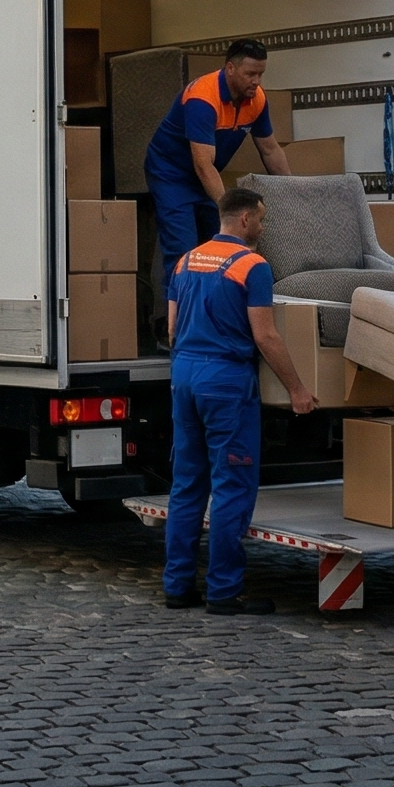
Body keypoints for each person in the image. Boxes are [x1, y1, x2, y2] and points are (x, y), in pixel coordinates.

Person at [162, 188, 316, 617]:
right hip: (225, 382)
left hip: (185, 375)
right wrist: (297, 389)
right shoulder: (253, 266)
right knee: (231, 487)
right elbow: (265, 335)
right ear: (245, 219)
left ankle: (177, 587)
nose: (262, 228)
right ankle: (224, 592)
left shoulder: (185, 261)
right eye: (261, 220)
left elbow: (172, 330)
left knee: (187, 485)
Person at [142, 41, 291, 320]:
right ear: (230, 68)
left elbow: (270, 150)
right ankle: (173, 326)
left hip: (206, 172)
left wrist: (293, 191)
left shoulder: (256, 99)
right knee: (183, 246)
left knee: (220, 242)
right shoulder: (203, 98)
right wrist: (229, 210)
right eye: (250, 74)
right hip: (171, 173)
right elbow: (202, 164)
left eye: (261, 74)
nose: (256, 81)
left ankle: (212, 316)